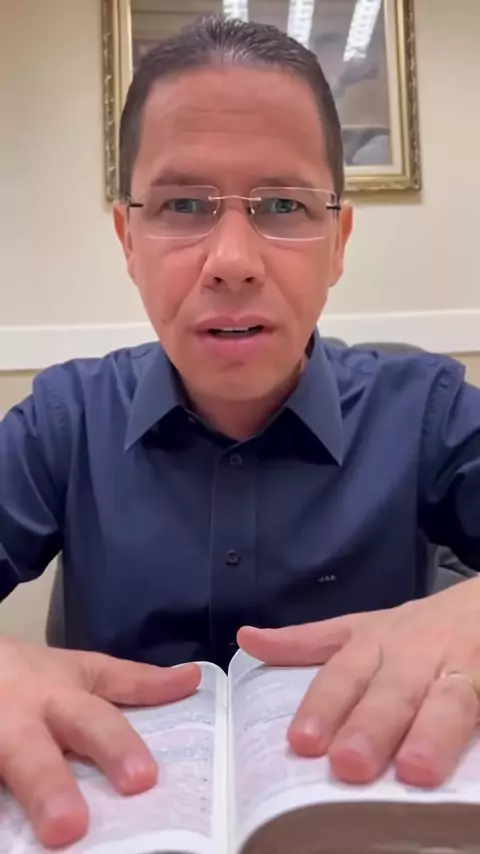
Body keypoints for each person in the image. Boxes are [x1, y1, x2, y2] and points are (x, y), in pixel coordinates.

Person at [0, 13, 479, 850]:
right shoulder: (64, 421)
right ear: (128, 240)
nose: (232, 261)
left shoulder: (426, 411)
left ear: (338, 242)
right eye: (183, 204)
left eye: (283, 205)